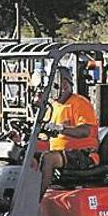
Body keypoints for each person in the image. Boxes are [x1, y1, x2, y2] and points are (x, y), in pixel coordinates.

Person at [39, 66, 100, 197]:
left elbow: (85, 131)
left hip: (84, 154)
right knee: (28, 156)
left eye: (53, 85)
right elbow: (45, 134)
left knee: (48, 159)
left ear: (65, 85)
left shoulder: (80, 103)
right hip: (62, 153)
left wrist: (61, 128)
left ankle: (34, 202)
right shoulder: (53, 106)